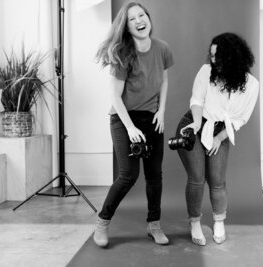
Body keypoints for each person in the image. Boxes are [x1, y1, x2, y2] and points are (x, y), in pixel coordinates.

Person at [94, 1, 174, 248]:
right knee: (128, 175)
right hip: (123, 119)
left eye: (142, 15)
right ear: (126, 27)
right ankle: (103, 221)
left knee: (154, 176)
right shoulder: (123, 53)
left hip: (150, 118)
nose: (139, 20)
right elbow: (115, 97)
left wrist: (161, 112)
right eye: (132, 19)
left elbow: (164, 80)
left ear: (148, 18)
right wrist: (130, 128)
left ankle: (154, 225)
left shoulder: (162, 48)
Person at [175, 32, 259, 246]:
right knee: (196, 177)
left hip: (220, 131)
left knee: (217, 180)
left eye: (218, 57)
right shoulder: (206, 72)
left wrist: (219, 138)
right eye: (211, 56)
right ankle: (194, 223)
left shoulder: (251, 85)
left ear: (233, 57)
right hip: (194, 123)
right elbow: (196, 100)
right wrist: (195, 123)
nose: (213, 61)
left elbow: (239, 119)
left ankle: (219, 222)